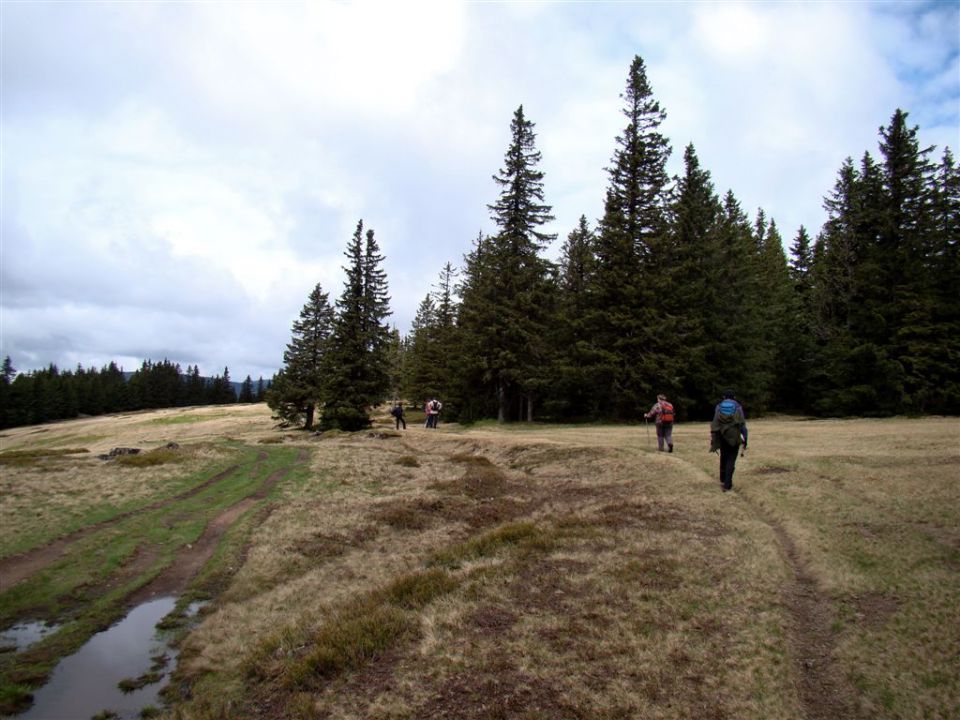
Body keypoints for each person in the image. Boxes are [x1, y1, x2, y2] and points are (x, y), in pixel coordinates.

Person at [710, 389, 748, 492]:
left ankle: (723, 478)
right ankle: (727, 484)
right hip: (734, 436)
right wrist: (745, 439)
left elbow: (715, 422)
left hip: (722, 435)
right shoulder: (738, 406)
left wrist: (713, 437)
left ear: (724, 397)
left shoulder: (718, 406)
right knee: (731, 459)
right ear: (734, 397)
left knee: (724, 456)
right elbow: (742, 424)